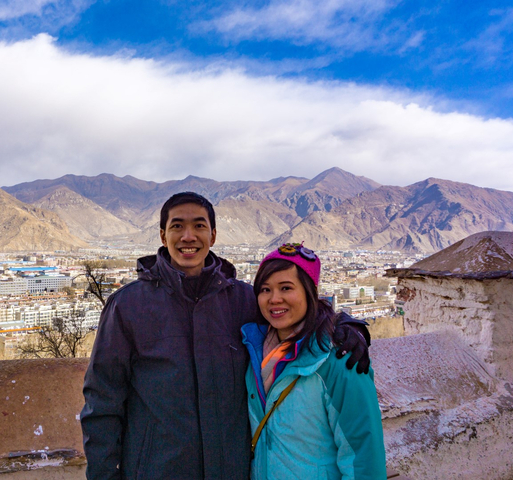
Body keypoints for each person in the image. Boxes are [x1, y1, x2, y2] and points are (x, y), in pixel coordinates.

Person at [81, 192, 371, 480]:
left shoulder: (243, 300)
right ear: (162, 235)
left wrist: (344, 326)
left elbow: (294, 318)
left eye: (199, 226)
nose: (188, 236)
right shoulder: (129, 305)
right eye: (177, 226)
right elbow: (103, 399)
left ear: (214, 235)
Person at [243, 243, 386, 480]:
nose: (274, 299)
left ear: (310, 291)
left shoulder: (340, 361)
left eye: (286, 288)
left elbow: (363, 456)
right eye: (265, 290)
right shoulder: (253, 351)